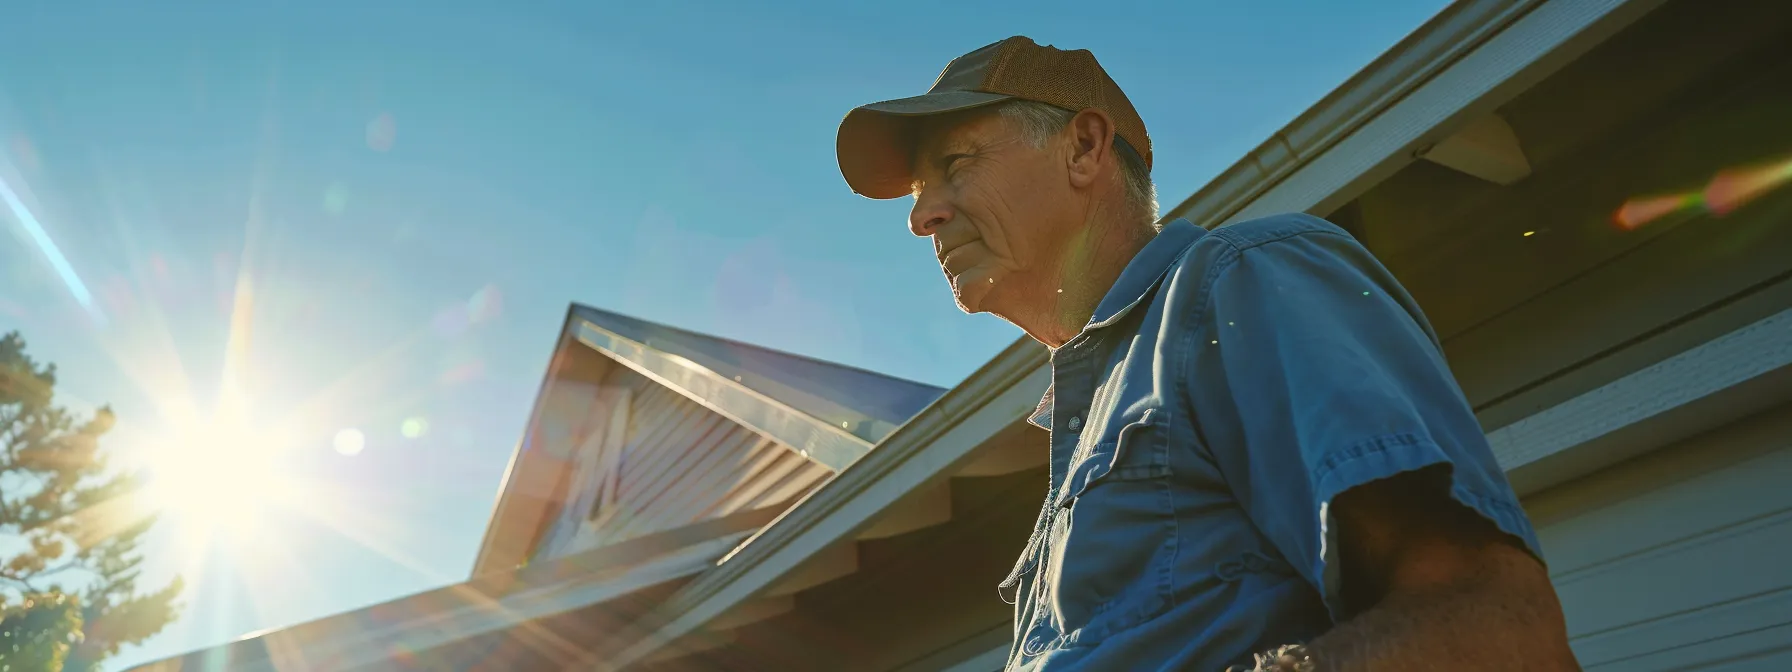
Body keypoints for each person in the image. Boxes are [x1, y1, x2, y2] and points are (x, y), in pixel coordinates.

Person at [835, 36, 1579, 672]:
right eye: (918, 191)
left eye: (955, 163)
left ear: (1085, 148)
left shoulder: (1241, 280)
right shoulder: (1091, 413)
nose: (921, 216)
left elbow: (1501, 625)